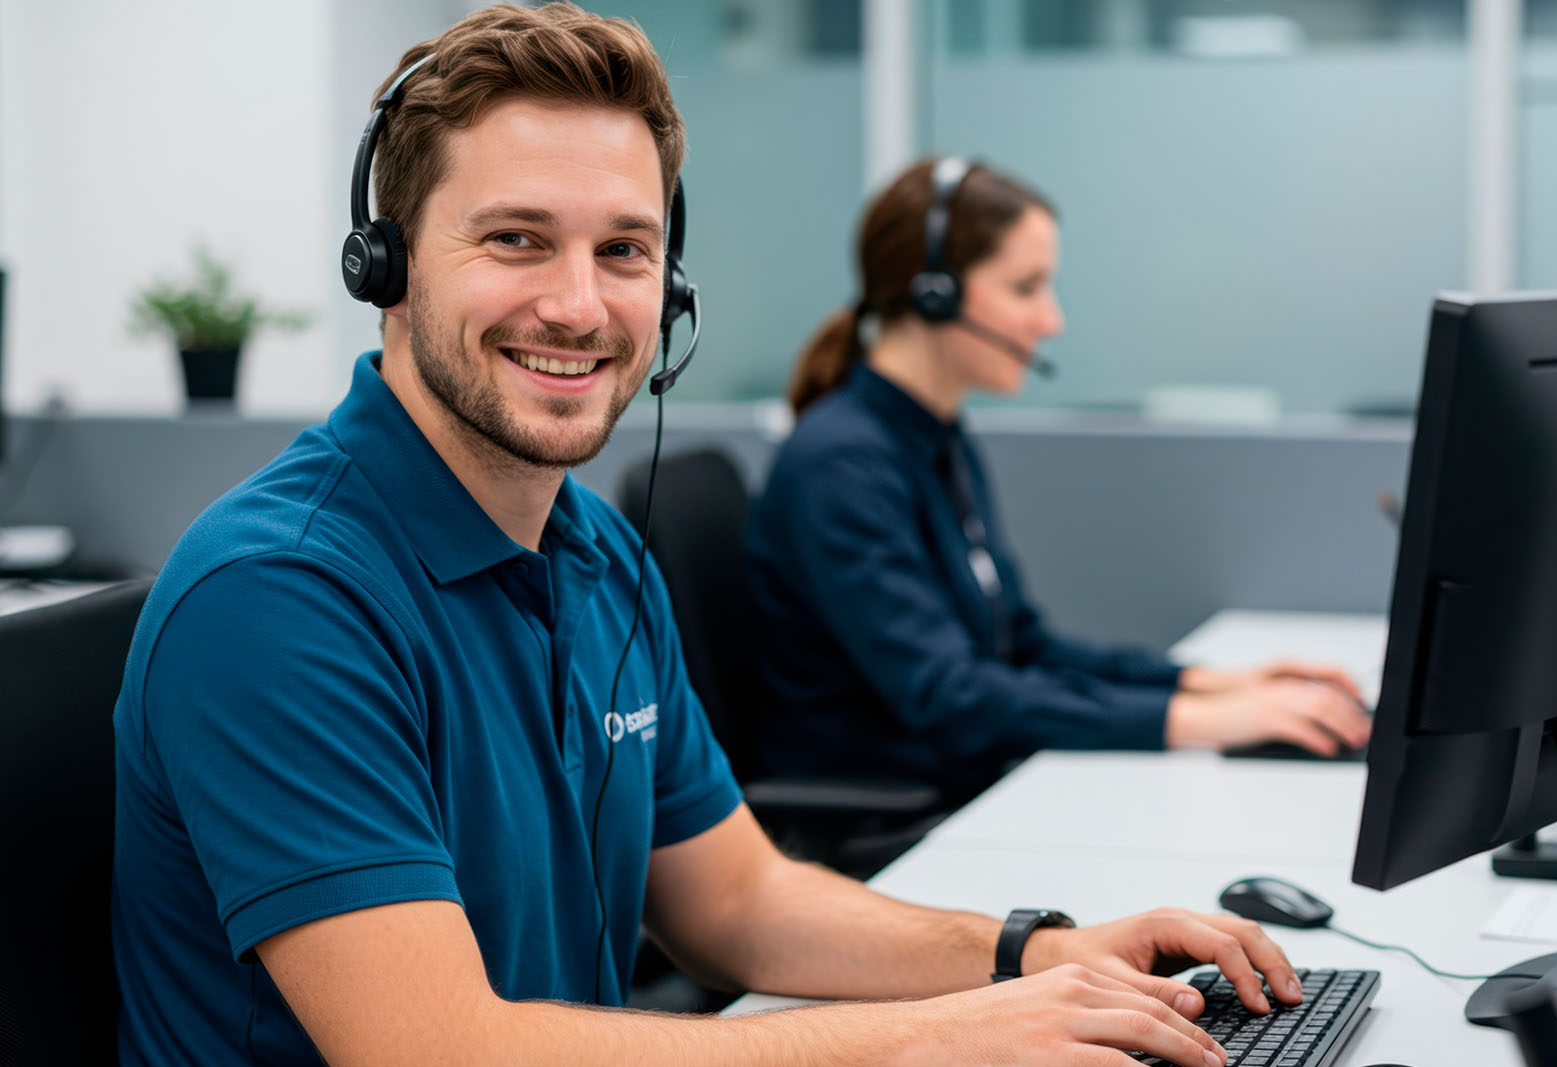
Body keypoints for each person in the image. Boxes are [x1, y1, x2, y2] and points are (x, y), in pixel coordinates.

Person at [113, 7, 1301, 1064]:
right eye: (516, 238)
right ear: (387, 267)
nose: (580, 305)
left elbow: (735, 897)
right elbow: (438, 1045)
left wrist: (1033, 951)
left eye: (623, 249)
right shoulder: (280, 595)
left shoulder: (594, 555)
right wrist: (941, 1037)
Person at [745, 158, 1372, 800]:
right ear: (935, 293)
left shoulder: (935, 439)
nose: (1052, 321)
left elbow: (1023, 643)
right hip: (892, 822)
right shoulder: (842, 466)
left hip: (969, 788)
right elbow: (949, 696)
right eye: (1026, 288)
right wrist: (1206, 723)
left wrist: (1212, 684)